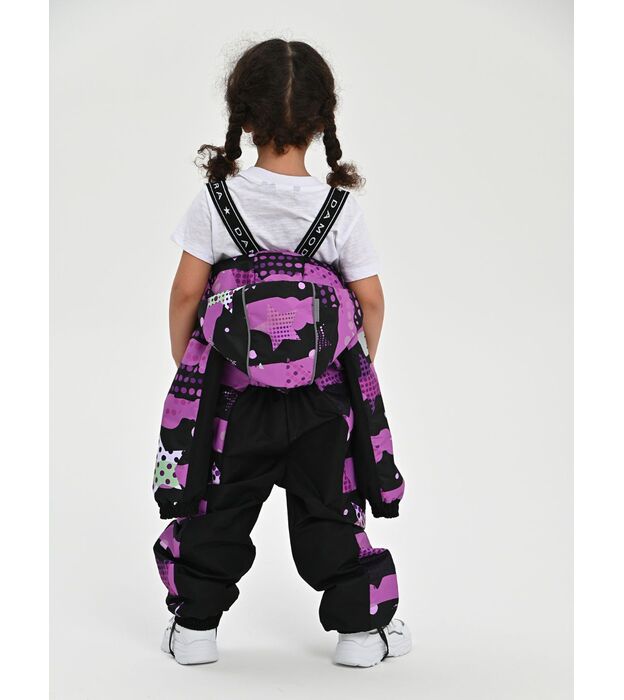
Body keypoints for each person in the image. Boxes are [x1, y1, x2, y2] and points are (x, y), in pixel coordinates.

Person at [153, 38, 411, 668]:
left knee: (218, 508)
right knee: (330, 509)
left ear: (242, 117)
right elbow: (371, 301)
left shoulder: (218, 202)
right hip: (322, 402)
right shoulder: (338, 209)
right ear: (322, 122)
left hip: (234, 403)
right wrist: (355, 369)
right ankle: (360, 633)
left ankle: (195, 630)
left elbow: (186, 293)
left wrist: (189, 368)